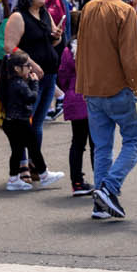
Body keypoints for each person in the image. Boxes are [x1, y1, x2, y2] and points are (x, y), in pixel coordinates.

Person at [79, 0, 137, 221]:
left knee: (102, 146)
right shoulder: (124, 10)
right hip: (117, 88)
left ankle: (101, 203)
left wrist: (82, 84)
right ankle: (109, 187)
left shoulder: (88, 7)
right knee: (134, 138)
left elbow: (81, 48)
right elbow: (130, 56)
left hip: (92, 87)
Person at [0, 0, 62, 169]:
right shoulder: (19, 17)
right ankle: (22, 164)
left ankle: (36, 165)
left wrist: (56, 37)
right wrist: (32, 65)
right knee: (25, 122)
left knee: (38, 123)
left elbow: (50, 42)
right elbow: (10, 47)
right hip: (29, 78)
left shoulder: (44, 14)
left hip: (49, 75)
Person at [0, 48, 54, 193]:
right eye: (27, 65)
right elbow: (31, 97)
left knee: (17, 150)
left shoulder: (8, 81)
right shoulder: (18, 83)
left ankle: (13, 179)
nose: (30, 68)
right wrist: (34, 83)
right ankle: (44, 175)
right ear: (17, 68)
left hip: (11, 122)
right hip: (20, 122)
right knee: (33, 148)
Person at [58, 36, 93, 197]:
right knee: (98, 144)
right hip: (93, 97)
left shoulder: (68, 50)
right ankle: (102, 182)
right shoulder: (97, 47)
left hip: (74, 96)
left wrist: (69, 89)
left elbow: (63, 75)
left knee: (77, 143)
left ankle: (77, 182)